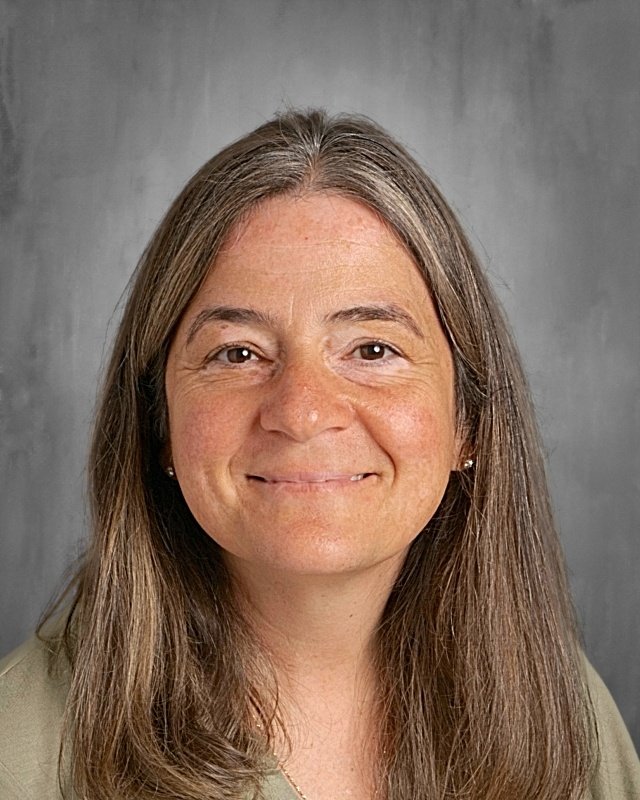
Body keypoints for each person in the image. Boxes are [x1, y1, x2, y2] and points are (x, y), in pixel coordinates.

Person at [0, 109, 638, 800]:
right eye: (238, 353)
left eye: (372, 349)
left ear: (469, 423)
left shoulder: (563, 716)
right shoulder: (20, 752)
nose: (303, 412)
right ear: (158, 425)